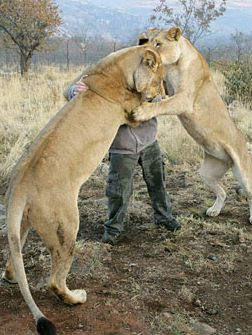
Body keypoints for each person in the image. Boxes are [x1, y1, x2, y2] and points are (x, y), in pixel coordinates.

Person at [68, 76, 181, 245]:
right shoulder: (104, 76)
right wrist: (74, 91)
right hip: (121, 147)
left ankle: (164, 217)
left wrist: (150, 97)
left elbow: (158, 99)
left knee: (158, 182)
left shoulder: (142, 76)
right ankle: (113, 229)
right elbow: (77, 95)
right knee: (118, 191)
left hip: (149, 142)